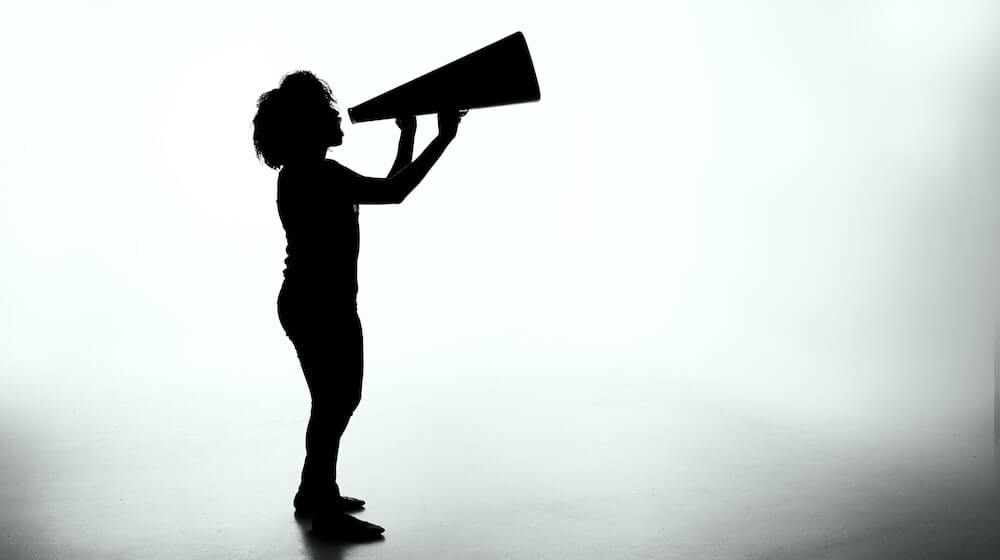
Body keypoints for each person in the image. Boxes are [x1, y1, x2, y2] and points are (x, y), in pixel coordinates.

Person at [252, 70, 462, 541]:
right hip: (321, 306)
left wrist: (408, 134)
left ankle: (314, 491)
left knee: (331, 402)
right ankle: (322, 508)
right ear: (309, 128)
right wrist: (443, 137)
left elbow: (386, 185)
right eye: (328, 113)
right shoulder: (318, 174)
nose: (339, 117)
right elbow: (395, 192)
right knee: (336, 401)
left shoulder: (307, 173)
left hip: (310, 303)